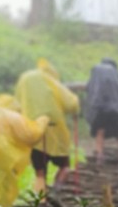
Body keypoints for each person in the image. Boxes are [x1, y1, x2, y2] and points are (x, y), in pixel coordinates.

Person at [14, 58, 80, 194]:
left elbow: (17, 104)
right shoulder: (50, 80)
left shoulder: (24, 78)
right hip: (53, 128)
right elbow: (71, 104)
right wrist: (75, 107)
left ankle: (41, 202)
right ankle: (56, 190)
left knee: (40, 172)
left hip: (32, 128)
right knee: (65, 166)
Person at [84, 57, 118, 165]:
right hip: (116, 108)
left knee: (100, 130)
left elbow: (88, 87)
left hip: (98, 107)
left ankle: (100, 155)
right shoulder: (115, 72)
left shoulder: (95, 71)